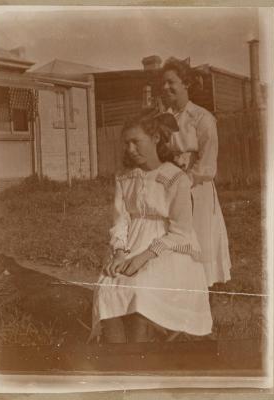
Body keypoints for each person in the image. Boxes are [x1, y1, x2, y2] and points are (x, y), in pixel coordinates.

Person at [89, 110, 213, 344]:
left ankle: (141, 358)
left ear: (155, 138)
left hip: (168, 250)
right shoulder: (125, 177)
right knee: (107, 287)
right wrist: (119, 252)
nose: (131, 149)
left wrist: (143, 257)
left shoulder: (175, 178)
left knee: (141, 291)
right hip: (131, 244)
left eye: (136, 142)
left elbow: (181, 232)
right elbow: (121, 219)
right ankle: (119, 359)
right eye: (127, 144)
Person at [161, 57, 232, 287]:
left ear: (186, 84)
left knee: (198, 240)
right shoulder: (164, 119)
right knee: (173, 238)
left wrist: (184, 182)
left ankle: (202, 305)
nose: (166, 87)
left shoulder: (202, 118)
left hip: (197, 191)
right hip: (171, 189)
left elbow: (207, 165)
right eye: (163, 83)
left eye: (171, 82)